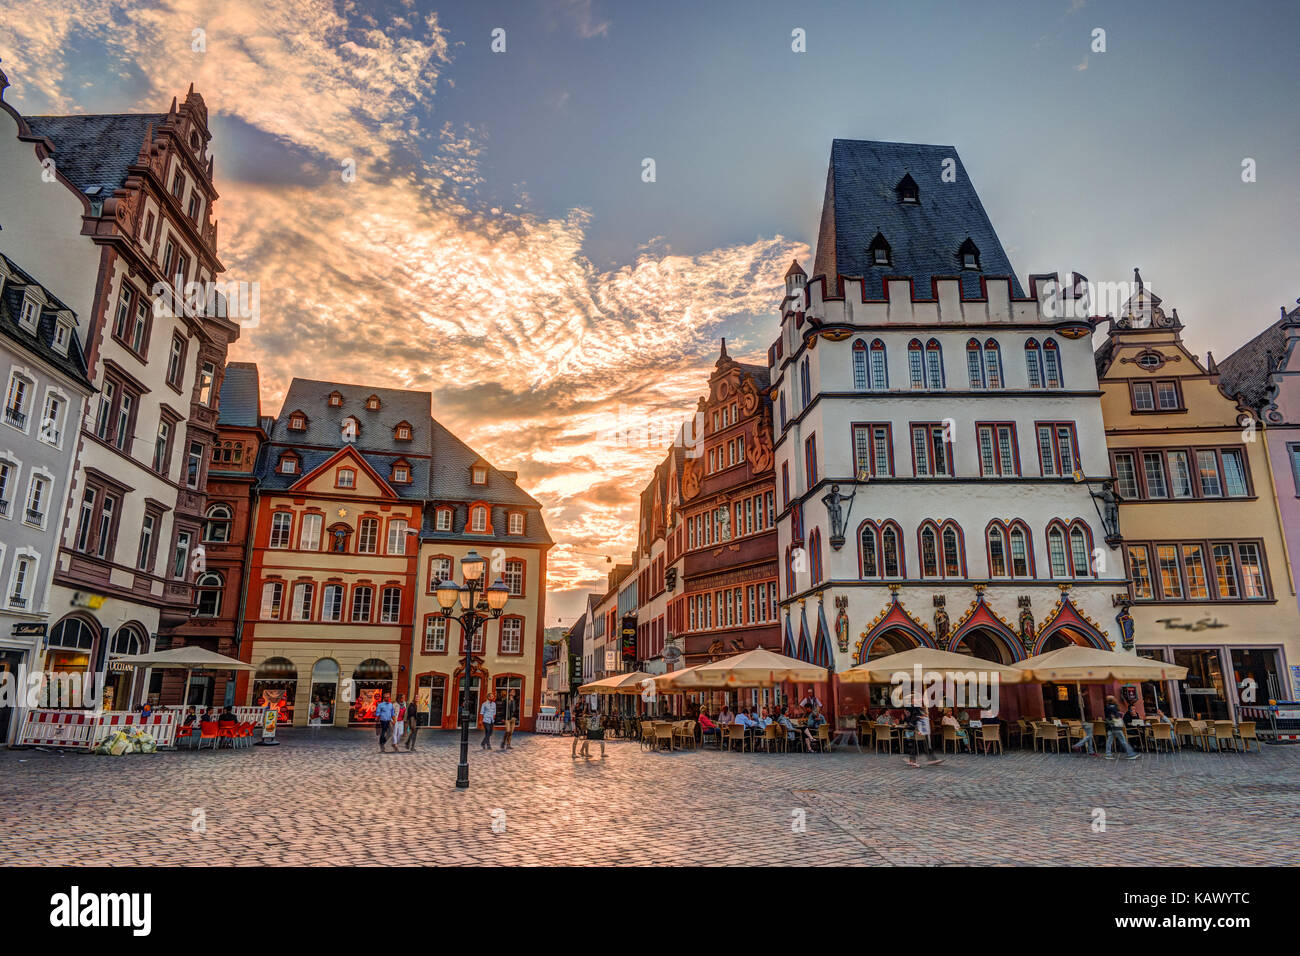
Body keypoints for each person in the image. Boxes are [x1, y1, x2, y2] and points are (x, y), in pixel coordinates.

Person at [1103, 694, 1139, 760]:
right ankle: (1131, 753)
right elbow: (1116, 716)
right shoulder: (1114, 707)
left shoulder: (1106, 707)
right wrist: (1119, 714)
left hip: (1110, 726)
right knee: (1123, 740)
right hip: (1116, 726)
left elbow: (1107, 716)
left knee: (1109, 741)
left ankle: (1108, 754)